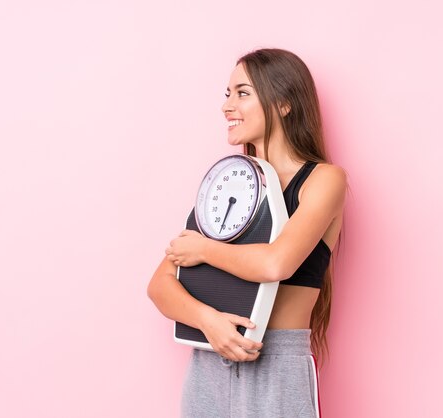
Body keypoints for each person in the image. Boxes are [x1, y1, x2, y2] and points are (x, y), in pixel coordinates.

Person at [147, 48, 346, 418]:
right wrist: (209, 322)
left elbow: (276, 264)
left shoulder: (323, 180)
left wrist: (205, 250)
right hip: (209, 363)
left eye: (242, 93)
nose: (227, 107)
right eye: (227, 95)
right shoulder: (229, 184)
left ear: (283, 103)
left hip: (277, 366)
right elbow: (159, 286)